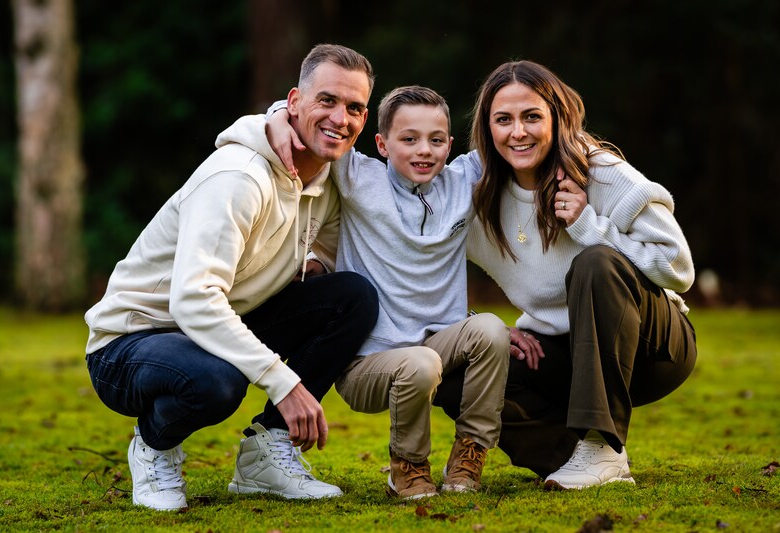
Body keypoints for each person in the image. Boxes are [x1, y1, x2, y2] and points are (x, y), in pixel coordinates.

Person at [83, 44, 379, 511]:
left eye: (355, 107)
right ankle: (154, 446)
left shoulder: (328, 179)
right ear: (294, 102)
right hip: (131, 342)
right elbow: (194, 299)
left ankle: (266, 455)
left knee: (352, 296)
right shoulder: (239, 178)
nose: (341, 118)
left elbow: (332, 247)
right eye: (327, 100)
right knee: (217, 381)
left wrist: (314, 267)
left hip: (216, 326)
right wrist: (283, 381)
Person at [437, 60, 698, 490]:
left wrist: (588, 225)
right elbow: (414, 253)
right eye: (503, 120)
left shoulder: (601, 174)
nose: (517, 132)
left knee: (596, 262)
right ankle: (575, 458)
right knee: (451, 372)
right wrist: (475, 325)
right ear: (487, 128)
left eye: (531, 116)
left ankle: (600, 443)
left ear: (557, 119)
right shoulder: (474, 190)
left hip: (651, 351)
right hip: (561, 356)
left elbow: (678, 268)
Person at [263, 86, 511, 499]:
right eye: (409, 139)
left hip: (438, 345)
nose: (424, 150)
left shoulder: (464, 180)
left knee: (492, 330)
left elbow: (515, 137)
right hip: (368, 364)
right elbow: (305, 121)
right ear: (381, 144)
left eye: (435, 140)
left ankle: (470, 452)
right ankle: (407, 467)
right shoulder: (359, 177)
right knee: (419, 363)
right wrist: (276, 114)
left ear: (450, 145)